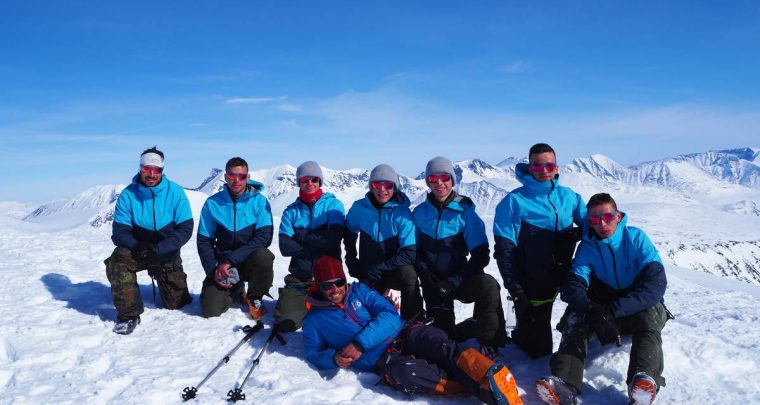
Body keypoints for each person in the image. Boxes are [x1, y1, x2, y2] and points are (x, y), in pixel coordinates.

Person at [302, 256, 523, 405]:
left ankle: (494, 378)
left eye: (338, 282)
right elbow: (313, 353)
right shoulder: (314, 320)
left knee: (439, 343)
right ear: (318, 286)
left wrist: (359, 343)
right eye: (327, 285)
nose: (334, 290)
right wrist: (334, 358)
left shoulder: (360, 292)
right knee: (409, 373)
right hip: (383, 360)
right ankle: (479, 389)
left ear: (344, 281)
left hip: (404, 333)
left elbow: (389, 315)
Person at [536, 193, 670, 405]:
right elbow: (574, 286)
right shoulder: (588, 248)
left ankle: (643, 383)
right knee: (575, 317)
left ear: (618, 216)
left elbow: (656, 285)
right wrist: (593, 312)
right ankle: (564, 384)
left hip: (634, 307)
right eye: (595, 219)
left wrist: (612, 311)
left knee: (650, 315)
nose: (602, 223)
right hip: (603, 310)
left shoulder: (635, 238)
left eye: (607, 216)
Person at [493, 143, 586, 358]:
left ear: (556, 168)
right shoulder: (513, 202)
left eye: (548, 165)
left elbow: (594, 227)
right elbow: (504, 251)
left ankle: (570, 324)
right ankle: (517, 330)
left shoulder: (568, 196)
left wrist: (575, 234)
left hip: (566, 273)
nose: (543, 170)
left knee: (590, 309)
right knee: (539, 351)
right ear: (530, 168)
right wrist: (516, 289)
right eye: (537, 166)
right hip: (535, 281)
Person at [413, 156, 508, 354]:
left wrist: (453, 282)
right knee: (445, 339)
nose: (439, 184)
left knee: (488, 285)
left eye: (444, 178)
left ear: (452, 180)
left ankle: (490, 343)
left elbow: (481, 256)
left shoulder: (465, 213)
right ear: (427, 182)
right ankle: (468, 328)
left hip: (460, 280)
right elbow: (414, 251)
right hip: (433, 283)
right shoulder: (419, 213)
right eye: (433, 179)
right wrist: (426, 274)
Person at [105, 146, 193, 335]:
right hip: (138, 251)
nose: (151, 175)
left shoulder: (176, 193)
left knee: (178, 304)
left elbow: (185, 229)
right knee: (118, 259)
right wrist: (137, 246)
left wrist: (159, 251)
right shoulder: (129, 195)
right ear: (140, 169)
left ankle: (167, 280)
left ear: (162, 170)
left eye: (156, 170)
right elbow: (119, 232)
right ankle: (129, 314)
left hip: (166, 253)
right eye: (147, 170)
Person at [197, 157, 275, 319]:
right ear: (226, 177)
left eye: (241, 176)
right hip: (223, 266)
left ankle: (255, 296)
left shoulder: (259, 202)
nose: (236, 180)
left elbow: (264, 238)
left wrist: (231, 260)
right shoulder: (213, 204)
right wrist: (213, 271)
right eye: (232, 176)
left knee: (263, 256)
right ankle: (235, 290)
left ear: (248, 177)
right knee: (210, 310)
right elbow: (204, 241)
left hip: (248, 262)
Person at [344, 163, 423, 320]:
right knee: (362, 317)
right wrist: (351, 260)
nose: (382, 190)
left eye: (388, 185)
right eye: (376, 184)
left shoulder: (403, 213)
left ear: (395, 187)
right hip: (368, 272)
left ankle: (412, 321)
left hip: (393, 271)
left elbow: (409, 253)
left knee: (409, 275)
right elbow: (348, 232)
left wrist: (380, 269)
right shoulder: (360, 208)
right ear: (371, 187)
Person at [276, 161, 345, 332]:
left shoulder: (333, 206)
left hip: (331, 279)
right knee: (286, 322)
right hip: (301, 277)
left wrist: (301, 236)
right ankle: (306, 303)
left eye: (314, 179)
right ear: (299, 182)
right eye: (305, 180)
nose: (310, 184)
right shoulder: (291, 212)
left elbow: (333, 239)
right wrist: (319, 245)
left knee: (340, 323)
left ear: (319, 181)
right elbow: (285, 247)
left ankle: (313, 305)